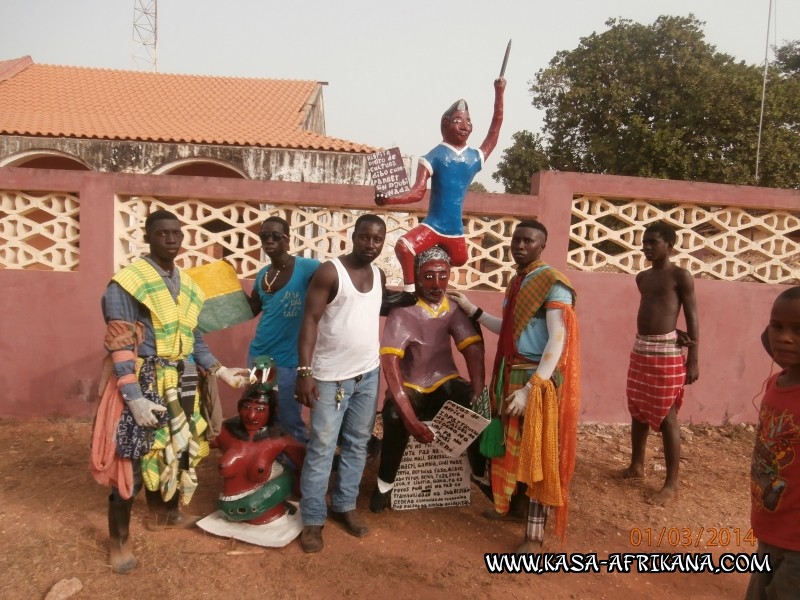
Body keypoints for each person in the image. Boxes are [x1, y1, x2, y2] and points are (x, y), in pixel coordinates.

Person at [91, 209, 249, 574]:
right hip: (143, 381)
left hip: (184, 377)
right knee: (131, 456)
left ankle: (165, 514)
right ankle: (119, 542)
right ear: (148, 237)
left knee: (179, 450)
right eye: (162, 233)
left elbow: (192, 336)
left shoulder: (188, 284)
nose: (171, 238)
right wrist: (133, 397)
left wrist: (220, 369)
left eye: (176, 232)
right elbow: (120, 340)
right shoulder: (128, 282)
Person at [449, 219, 580, 552]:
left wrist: (530, 388)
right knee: (513, 450)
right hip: (510, 374)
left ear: (542, 246)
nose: (520, 246)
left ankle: (534, 539)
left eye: (529, 241)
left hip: (536, 378)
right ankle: (516, 509)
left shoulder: (552, 284)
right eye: (517, 240)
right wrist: (471, 309)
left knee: (536, 454)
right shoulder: (517, 282)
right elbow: (506, 329)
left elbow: (557, 339)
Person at [294, 214, 387, 553]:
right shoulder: (330, 272)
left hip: (368, 374)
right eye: (365, 237)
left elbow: (375, 308)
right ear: (353, 236)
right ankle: (313, 519)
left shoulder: (379, 274)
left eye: (377, 239)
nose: (371, 245)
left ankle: (344, 506)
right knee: (321, 447)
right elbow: (310, 319)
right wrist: (305, 372)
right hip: (330, 377)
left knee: (357, 443)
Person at [370, 246, 485, 513]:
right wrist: (410, 419)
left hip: (444, 379)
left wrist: (478, 390)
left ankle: (480, 473)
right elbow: (390, 365)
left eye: (442, 276)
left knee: (472, 407)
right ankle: (385, 483)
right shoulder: (403, 312)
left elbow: (473, 349)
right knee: (395, 418)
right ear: (417, 277)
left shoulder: (452, 308)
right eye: (429, 276)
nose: (436, 284)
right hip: (411, 385)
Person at [375, 77, 506, 297]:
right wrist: (389, 199)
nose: (465, 127)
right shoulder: (434, 156)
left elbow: (495, 128)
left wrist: (499, 92)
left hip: (454, 231)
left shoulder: (473, 157)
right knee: (404, 247)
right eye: (458, 121)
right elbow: (417, 193)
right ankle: (408, 292)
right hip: (433, 226)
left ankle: (435, 291)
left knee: (459, 259)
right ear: (445, 124)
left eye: (468, 122)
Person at [622, 221, 699, 506]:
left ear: (670, 246)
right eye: (645, 242)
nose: (647, 247)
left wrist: (693, 359)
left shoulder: (681, 276)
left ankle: (671, 484)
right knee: (638, 409)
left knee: (667, 415)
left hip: (667, 351)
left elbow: (692, 316)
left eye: (654, 242)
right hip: (641, 348)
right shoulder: (642, 278)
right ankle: (636, 466)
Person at [745, 286, 800, 600]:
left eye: (799, 330)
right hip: (770, 529)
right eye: (778, 326)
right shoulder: (777, 381)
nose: (785, 338)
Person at [248, 216, 320, 442]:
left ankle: (297, 465)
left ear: (287, 240)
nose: (269, 240)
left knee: (290, 419)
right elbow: (252, 309)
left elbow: (336, 282)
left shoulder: (307, 268)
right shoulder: (262, 275)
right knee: (262, 412)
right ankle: (270, 468)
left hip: (289, 360)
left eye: (276, 236)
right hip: (258, 356)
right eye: (264, 236)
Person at [215, 358, 306, 526]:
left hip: (268, 514)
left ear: (273, 411)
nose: (251, 415)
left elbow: (306, 466)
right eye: (247, 407)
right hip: (228, 511)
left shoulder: (280, 439)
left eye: (260, 409)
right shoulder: (225, 431)